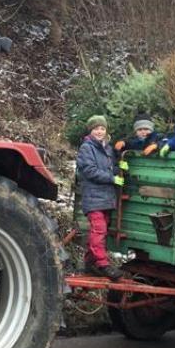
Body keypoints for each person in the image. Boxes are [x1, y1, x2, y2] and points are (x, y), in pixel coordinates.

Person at [76, 115, 125, 281]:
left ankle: (89, 263)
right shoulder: (86, 148)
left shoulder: (107, 148)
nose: (99, 131)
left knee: (99, 231)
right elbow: (89, 171)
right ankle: (103, 264)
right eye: (96, 128)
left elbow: (110, 169)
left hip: (106, 198)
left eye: (102, 128)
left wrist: (119, 169)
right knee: (99, 230)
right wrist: (112, 178)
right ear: (90, 130)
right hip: (93, 198)